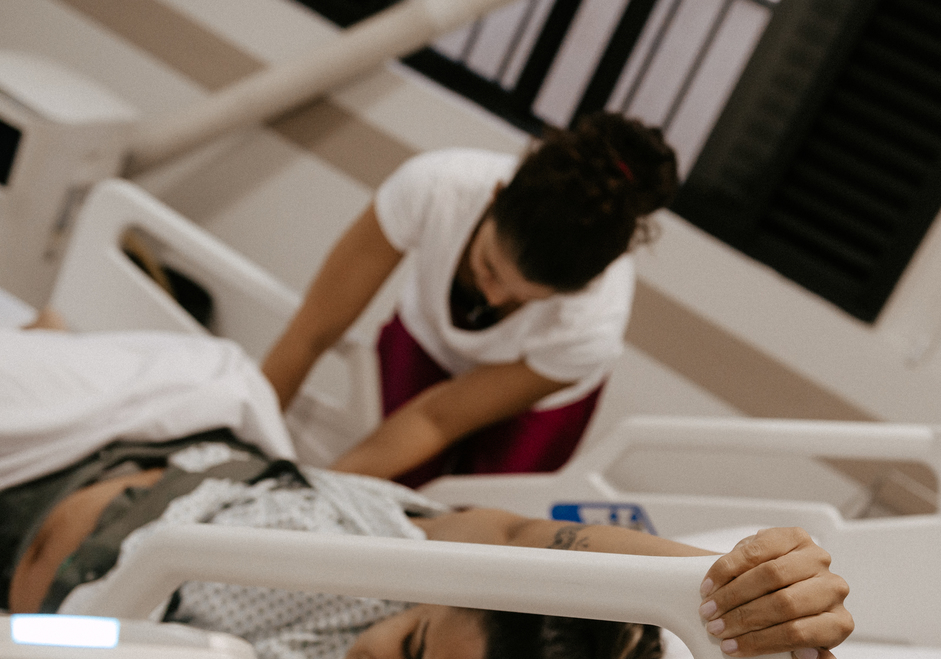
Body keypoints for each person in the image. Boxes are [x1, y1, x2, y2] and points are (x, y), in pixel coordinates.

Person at [0, 325, 851, 659]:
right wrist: (720, 582)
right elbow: (525, 542)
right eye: (415, 645)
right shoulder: (406, 560)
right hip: (146, 425)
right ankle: (56, 337)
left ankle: (53, 334)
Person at [262, 113, 679, 487]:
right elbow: (309, 334)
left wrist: (315, 498)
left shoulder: (591, 323)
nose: (493, 297)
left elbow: (438, 419)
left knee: (473, 514)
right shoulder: (435, 188)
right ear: (494, 198)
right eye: (489, 268)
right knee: (390, 480)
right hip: (429, 339)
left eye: (523, 298)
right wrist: (250, 449)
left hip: (540, 398)